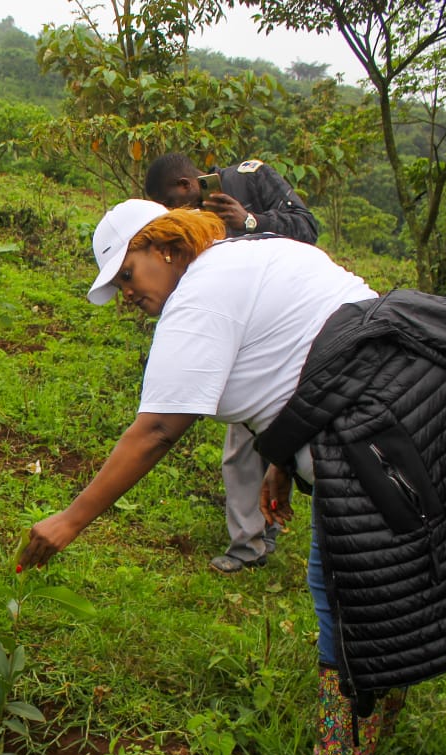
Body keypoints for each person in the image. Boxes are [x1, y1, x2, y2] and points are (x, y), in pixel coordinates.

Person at [17, 200, 446, 755]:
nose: (127, 293)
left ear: (166, 248)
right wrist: (283, 461)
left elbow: (158, 429)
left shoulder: (201, 295)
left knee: (347, 592)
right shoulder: (262, 253)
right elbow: (311, 352)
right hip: (421, 409)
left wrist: (69, 521)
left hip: (383, 437)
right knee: (382, 588)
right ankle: (370, 733)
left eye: (128, 274)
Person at [144, 153, 319, 574]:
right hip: (237, 326)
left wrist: (250, 220)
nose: (177, 213)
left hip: (290, 319)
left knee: (298, 437)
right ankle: (249, 544)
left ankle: (287, 531)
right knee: (242, 443)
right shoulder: (191, 221)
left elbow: (308, 228)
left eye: (175, 202)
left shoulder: (253, 178)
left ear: (188, 185)